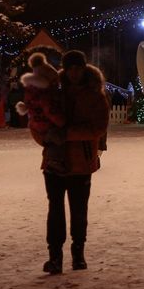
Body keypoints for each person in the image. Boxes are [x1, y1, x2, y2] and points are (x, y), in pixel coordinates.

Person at [40, 50, 109, 274]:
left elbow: (98, 127)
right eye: (70, 68)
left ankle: (78, 253)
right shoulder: (54, 92)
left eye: (78, 68)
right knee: (55, 209)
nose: (74, 72)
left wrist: (66, 134)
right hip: (54, 161)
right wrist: (45, 138)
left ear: (84, 68)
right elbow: (39, 121)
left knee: (79, 210)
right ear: (64, 69)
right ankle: (55, 256)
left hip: (81, 162)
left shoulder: (95, 94)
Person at [19, 52, 67, 174]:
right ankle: (55, 161)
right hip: (45, 123)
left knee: (51, 140)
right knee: (56, 138)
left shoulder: (32, 89)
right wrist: (63, 122)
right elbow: (50, 110)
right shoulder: (45, 94)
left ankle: (53, 160)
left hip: (36, 122)